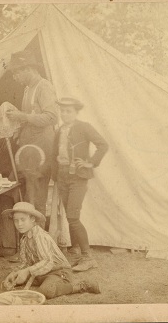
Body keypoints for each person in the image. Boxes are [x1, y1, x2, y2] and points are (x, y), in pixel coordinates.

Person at [0, 50, 58, 259]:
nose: (15, 78)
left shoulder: (44, 87)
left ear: (28, 69)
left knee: (33, 199)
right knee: (7, 192)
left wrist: (22, 117)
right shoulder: (27, 89)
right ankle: (7, 245)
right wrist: (17, 131)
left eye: (17, 73)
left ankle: (36, 250)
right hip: (24, 151)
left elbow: (51, 117)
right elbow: (28, 121)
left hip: (39, 152)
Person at [52, 97, 108, 272]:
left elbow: (103, 145)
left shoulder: (84, 127)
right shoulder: (60, 129)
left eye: (69, 111)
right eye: (62, 110)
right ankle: (78, 255)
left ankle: (88, 257)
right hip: (62, 176)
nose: (65, 114)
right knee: (70, 216)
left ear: (76, 112)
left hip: (77, 177)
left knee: (73, 217)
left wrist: (90, 162)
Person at [1, 202, 101, 299]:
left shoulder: (40, 236)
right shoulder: (24, 239)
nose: (19, 224)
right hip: (41, 272)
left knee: (46, 291)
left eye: (23, 220)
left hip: (59, 271)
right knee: (16, 278)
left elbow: (48, 261)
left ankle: (80, 285)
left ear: (32, 219)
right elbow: (25, 263)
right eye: (16, 220)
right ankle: (43, 281)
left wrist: (26, 271)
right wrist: (14, 273)